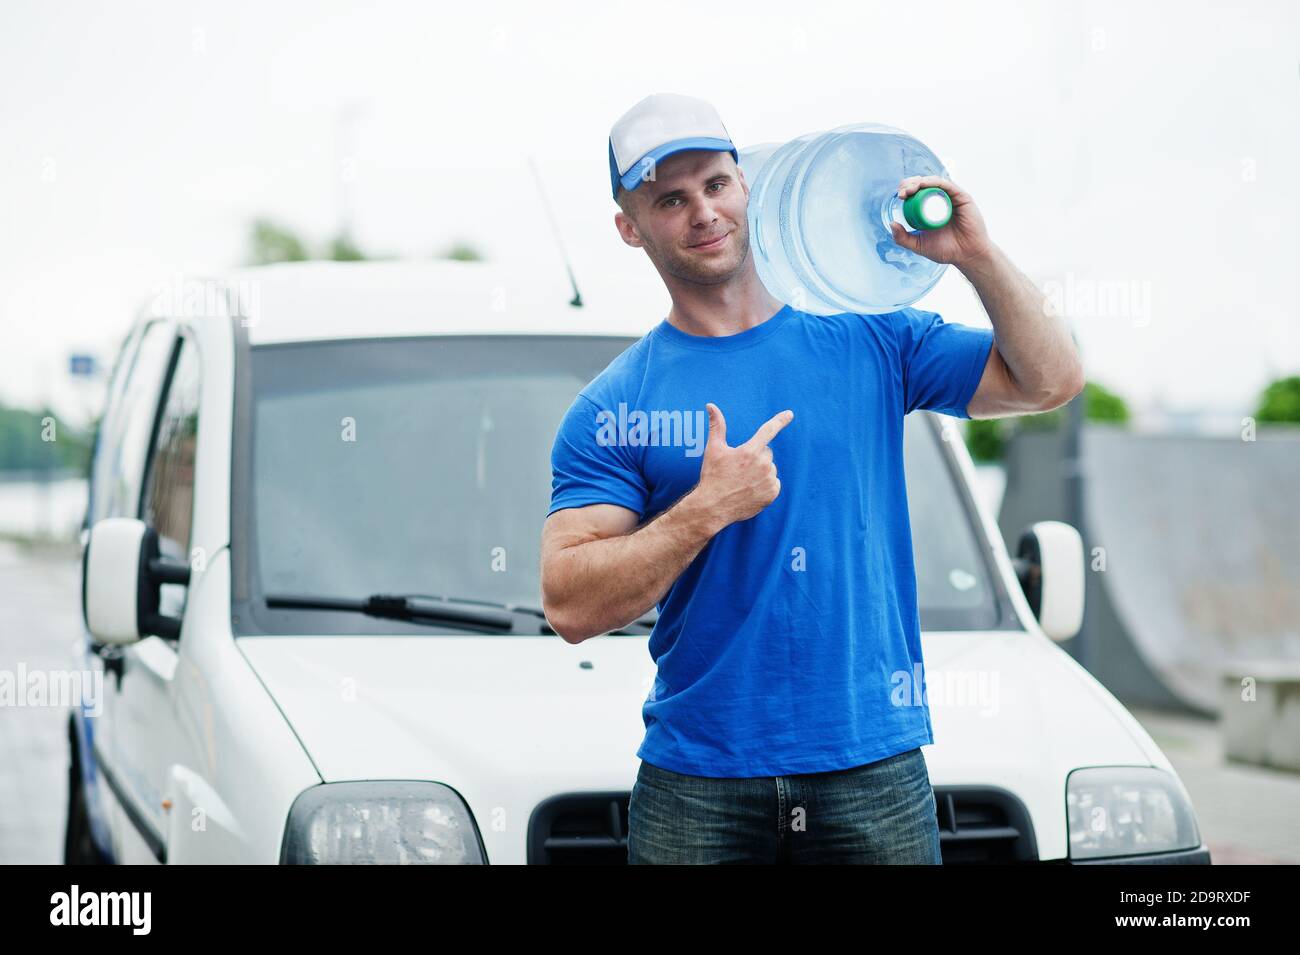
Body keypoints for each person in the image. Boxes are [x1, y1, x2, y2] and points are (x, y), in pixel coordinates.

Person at [539, 92, 1084, 864]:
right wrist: (706, 509)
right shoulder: (616, 404)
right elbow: (569, 602)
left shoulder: (870, 332)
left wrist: (977, 258)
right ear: (631, 227)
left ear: (747, 186)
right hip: (699, 778)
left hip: (872, 763)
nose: (703, 211)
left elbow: (1050, 380)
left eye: (716, 184)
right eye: (670, 198)